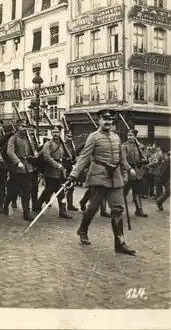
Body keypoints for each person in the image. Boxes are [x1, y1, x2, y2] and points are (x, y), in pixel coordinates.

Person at [67, 109, 137, 255]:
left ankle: (120, 244)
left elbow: (122, 158)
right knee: (93, 207)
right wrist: (73, 175)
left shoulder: (117, 138)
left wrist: (129, 169)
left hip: (116, 177)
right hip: (99, 175)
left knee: (117, 209)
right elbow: (84, 157)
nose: (108, 122)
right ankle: (83, 229)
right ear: (99, 120)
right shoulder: (93, 137)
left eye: (110, 120)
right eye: (104, 119)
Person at [35, 125, 72, 219]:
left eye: (57, 132)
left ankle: (63, 211)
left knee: (61, 192)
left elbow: (66, 156)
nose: (55, 134)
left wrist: (65, 164)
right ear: (52, 133)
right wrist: (57, 165)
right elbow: (46, 157)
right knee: (48, 191)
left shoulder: (62, 144)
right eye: (54, 132)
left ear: (60, 133)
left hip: (61, 171)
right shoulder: (48, 144)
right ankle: (38, 205)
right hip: (51, 171)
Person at [3, 119, 35, 221]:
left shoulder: (28, 138)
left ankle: (26, 212)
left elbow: (33, 150)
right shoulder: (13, 138)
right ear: (17, 127)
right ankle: (5, 204)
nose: (24, 128)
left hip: (27, 168)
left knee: (26, 191)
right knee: (13, 190)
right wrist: (17, 162)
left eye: (25, 126)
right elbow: (10, 152)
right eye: (22, 126)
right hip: (16, 168)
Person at [122, 129, 148, 217]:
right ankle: (117, 209)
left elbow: (145, 158)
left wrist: (144, 160)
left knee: (137, 192)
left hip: (137, 172)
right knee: (122, 193)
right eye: (128, 135)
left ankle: (139, 210)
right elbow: (123, 160)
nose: (129, 137)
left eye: (131, 135)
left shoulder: (140, 146)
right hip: (127, 173)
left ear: (135, 136)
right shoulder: (123, 146)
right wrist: (129, 169)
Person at [63, 129, 78, 212]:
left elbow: (73, 157)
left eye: (71, 136)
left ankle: (70, 205)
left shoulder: (72, 146)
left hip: (70, 168)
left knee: (71, 187)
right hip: (63, 168)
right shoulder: (63, 145)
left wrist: (74, 159)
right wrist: (66, 158)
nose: (70, 138)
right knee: (61, 188)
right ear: (65, 136)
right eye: (68, 136)